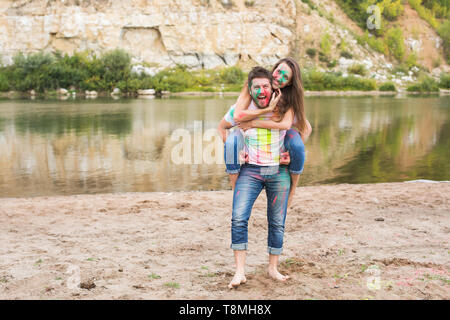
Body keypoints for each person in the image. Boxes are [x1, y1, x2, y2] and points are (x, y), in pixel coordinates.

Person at [220, 66, 294, 289]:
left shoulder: (284, 107)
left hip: (277, 171)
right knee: (238, 218)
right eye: (257, 87)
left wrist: (291, 151)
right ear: (250, 91)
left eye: (265, 86)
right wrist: (234, 150)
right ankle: (240, 272)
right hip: (250, 171)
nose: (262, 91)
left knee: (277, 222)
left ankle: (272, 268)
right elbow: (222, 128)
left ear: (272, 88)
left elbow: (301, 130)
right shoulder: (240, 110)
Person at [218, 57, 312, 208]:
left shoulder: (287, 102)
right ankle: (237, 192)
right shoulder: (256, 84)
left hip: (277, 148)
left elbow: (305, 128)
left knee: (296, 142)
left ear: (289, 83)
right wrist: (238, 151)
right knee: (231, 143)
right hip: (252, 152)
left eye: (285, 77)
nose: (279, 77)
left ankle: (292, 190)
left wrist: (290, 152)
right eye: (278, 71)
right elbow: (232, 120)